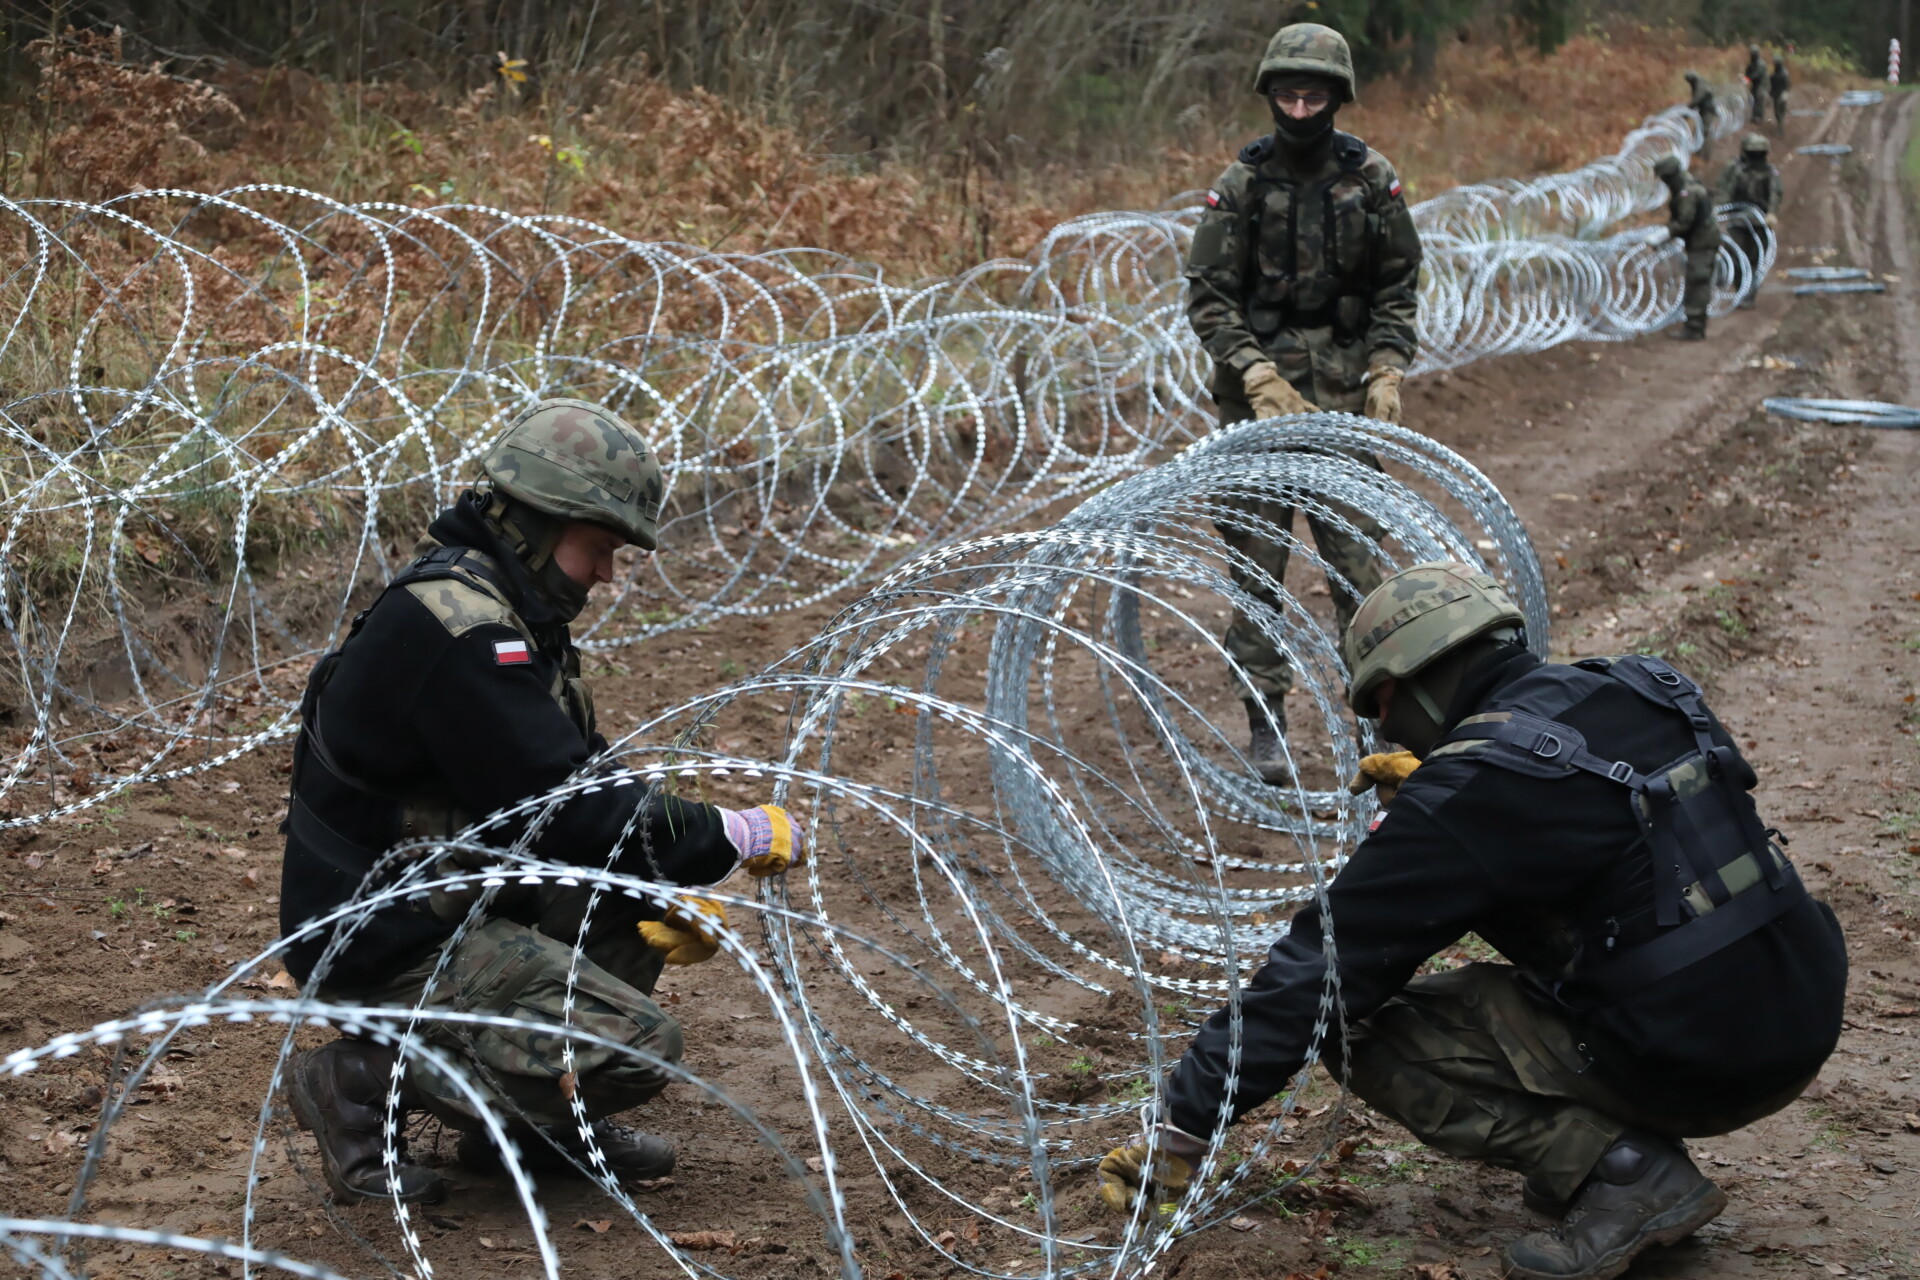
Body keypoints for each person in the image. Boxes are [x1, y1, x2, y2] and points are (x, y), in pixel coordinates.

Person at [1097, 561, 1847, 1280]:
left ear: (1416, 680)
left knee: (1360, 1030)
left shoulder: (1470, 796)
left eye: (1382, 705)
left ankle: (1620, 1167)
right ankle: (1621, 1130)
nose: (1385, 730)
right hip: (1804, 1002)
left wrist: (1185, 1121)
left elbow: (1322, 967)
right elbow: (1606, 842)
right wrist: (1452, 806)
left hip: (1707, 1061)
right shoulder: (1639, 684)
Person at [278, 398, 805, 1204]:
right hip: (382, 938)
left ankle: (531, 1132)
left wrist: (658, 870)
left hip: (443, 894)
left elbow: (574, 782)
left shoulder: (506, 609)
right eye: (600, 547)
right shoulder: (461, 632)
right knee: (637, 1048)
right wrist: (725, 835)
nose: (606, 572)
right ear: (537, 519)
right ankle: (360, 1076)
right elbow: (574, 809)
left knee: (628, 909)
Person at [1183, 21, 1423, 783]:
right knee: (1257, 570)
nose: (1298, 106)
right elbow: (1209, 295)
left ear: (1336, 98)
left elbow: (1399, 285)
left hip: (1343, 400)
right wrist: (1253, 373)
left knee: (1358, 571)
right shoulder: (1244, 183)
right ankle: (1266, 724)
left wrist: (1386, 367)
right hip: (1258, 410)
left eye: (1312, 93)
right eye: (1285, 92)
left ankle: (1375, 725)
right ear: (1268, 95)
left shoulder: (1370, 177)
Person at [1656, 154, 1722, 341]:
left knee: (1697, 280)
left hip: (1703, 242)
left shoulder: (1688, 192)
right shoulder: (1686, 187)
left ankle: (1694, 327)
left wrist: (1663, 235)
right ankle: (1695, 324)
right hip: (1700, 240)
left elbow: (1684, 222)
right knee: (1696, 280)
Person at [1718, 134, 1783, 308]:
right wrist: (1719, 209)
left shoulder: (1770, 171)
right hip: (1737, 220)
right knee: (1736, 257)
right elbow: (1724, 189)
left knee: (1756, 259)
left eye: (1759, 153)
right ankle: (1741, 290)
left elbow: (1775, 192)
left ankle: (1749, 296)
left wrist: (1772, 213)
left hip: (1760, 222)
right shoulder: (1734, 169)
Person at [1684, 71, 1717, 157]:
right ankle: (1700, 152)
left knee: (1704, 131)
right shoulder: (1698, 83)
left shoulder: (1700, 84)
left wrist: (1687, 111)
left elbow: (1697, 99)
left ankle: (1705, 154)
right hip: (1703, 110)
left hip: (1708, 110)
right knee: (1700, 130)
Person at [1744, 45, 1768, 123]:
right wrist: (1745, 77)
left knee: (1759, 98)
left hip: (1762, 84)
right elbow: (1748, 71)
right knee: (1753, 98)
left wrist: (1748, 78)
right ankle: (1755, 116)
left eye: (1753, 53)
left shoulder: (1761, 63)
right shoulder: (1752, 63)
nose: (1752, 55)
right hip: (1755, 84)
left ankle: (1759, 116)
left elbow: (1757, 74)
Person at [1770, 57, 1791, 130]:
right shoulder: (1777, 73)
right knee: (1778, 113)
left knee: (1780, 112)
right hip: (1777, 94)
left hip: (1781, 94)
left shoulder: (1783, 73)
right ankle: (1780, 126)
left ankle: (1781, 127)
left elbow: (1786, 84)